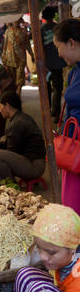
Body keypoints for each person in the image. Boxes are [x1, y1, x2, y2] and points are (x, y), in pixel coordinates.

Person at [14, 203, 80, 292]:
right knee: (25, 275)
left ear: (72, 249)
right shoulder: (63, 260)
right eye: (39, 247)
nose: (43, 257)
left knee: (39, 291)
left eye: (51, 252)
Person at [53, 18, 80, 216]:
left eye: (58, 46)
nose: (58, 53)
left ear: (71, 43)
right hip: (72, 150)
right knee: (71, 208)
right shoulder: (74, 72)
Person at [0, 91, 46, 181]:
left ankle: (11, 186)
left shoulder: (17, 124)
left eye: (0, 107)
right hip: (37, 162)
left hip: (34, 167)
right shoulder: (21, 117)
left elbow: (12, 152)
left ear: (7, 106)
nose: (0, 110)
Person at [41, 7, 66, 123]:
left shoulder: (41, 29)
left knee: (47, 88)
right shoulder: (58, 28)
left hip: (46, 64)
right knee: (57, 87)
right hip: (58, 62)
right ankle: (56, 113)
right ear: (53, 15)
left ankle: (48, 111)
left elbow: (40, 48)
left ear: (44, 17)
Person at [2, 17, 35, 95]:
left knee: (20, 78)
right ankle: (13, 95)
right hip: (9, 58)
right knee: (11, 78)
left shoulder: (23, 32)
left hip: (21, 58)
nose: (15, 22)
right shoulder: (8, 31)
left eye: (17, 20)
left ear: (20, 21)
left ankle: (18, 94)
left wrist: (32, 55)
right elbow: (5, 45)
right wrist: (3, 57)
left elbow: (28, 45)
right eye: (14, 20)